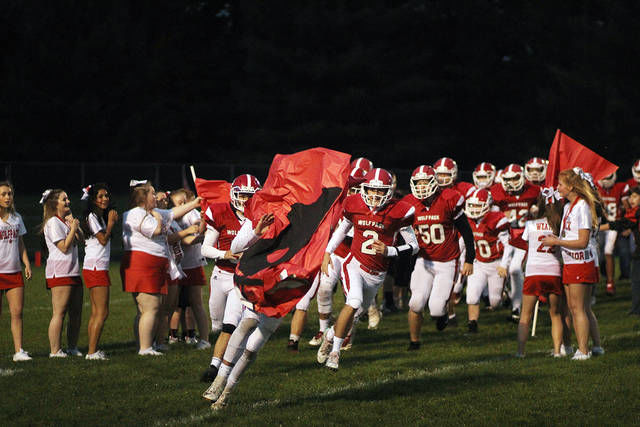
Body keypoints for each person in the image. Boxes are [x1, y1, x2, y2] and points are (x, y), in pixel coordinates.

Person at [316, 168, 419, 369]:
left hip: (377, 274)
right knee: (353, 301)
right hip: (353, 263)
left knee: (354, 314)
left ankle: (329, 335)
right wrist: (328, 253)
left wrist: (389, 251)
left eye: (380, 191)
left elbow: (414, 246)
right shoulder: (354, 203)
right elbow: (342, 229)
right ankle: (335, 353)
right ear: (365, 189)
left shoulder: (399, 210)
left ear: (389, 191)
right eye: (371, 190)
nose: (374, 195)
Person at [121, 180, 200, 356]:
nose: (155, 196)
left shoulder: (152, 212)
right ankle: (145, 348)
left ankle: (146, 345)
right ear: (142, 196)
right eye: (151, 193)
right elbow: (155, 231)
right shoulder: (135, 213)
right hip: (142, 264)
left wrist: (194, 204)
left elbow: (172, 212)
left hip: (152, 264)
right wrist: (158, 220)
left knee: (148, 310)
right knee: (150, 308)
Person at [401, 165, 475, 349]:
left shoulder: (448, 199)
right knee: (416, 302)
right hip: (423, 260)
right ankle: (414, 341)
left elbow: (466, 231)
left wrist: (469, 259)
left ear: (434, 182)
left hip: (447, 262)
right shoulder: (409, 203)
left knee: (435, 308)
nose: (422, 187)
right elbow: (401, 230)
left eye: (426, 182)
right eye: (418, 183)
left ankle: (441, 315)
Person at [200, 174, 261, 381]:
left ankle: (216, 367)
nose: (245, 200)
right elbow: (205, 248)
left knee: (230, 325)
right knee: (216, 325)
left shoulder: (261, 216)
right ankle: (225, 358)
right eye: (242, 195)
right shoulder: (220, 212)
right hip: (220, 275)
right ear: (235, 194)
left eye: (249, 196)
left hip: (241, 279)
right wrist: (224, 254)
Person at [542, 168, 603, 360]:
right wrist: (556, 240)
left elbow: (583, 241)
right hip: (570, 261)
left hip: (580, 262)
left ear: (571, 186)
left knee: (578, 308)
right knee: (576, 307)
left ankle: (584, 350)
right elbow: (569, 235)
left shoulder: (582, 206)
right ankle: (591, 347)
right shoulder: (568, 206)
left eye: (560, 184)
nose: (557, 188)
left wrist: (557, 242)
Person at [490, 163, 540, 321]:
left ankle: (517, 308)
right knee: (498, 270)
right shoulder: (497, 192)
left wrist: (538, 209)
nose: (511, 182)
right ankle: (508, 295)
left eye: (514, 178)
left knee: (515, 269)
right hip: (504, 236)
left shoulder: (534, 191)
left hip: (525, 237)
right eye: (508, 179)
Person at [516, 193, 565, 357]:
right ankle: (558, 351)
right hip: (553, 271)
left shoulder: (530, 224)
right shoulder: (559, 225)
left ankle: (521, 352)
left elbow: (525, 244)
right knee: (555, 314)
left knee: (525, 316)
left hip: (534, 271)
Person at [41, 188, 85, 358]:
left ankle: (72, 347)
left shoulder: (65, 220)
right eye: (64, 199)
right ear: (54, 203)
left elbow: (81, 240)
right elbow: (64, 247)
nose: (68, 202)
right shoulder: (52, 222)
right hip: (59, 272)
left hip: (73, 270)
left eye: (67, 199)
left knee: (76, 312)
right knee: (59, 312)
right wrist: (73, 228)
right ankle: (55, 351)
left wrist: (74, 224)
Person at [461, 188, 509, 332]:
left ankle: (505, 294)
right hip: (478, 263)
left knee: (495, 302)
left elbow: (508, 245)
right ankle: (472, 324)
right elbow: (462, 243)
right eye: (472, 205)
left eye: (478, 205)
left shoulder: (497, 219)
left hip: (496, 263)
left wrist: (504, 265)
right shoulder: (467, 220)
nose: (474, 209)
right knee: (472, 296)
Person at [80, 183, 118, 360]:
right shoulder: (92, 217)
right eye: (101, 196)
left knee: (97, 312)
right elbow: (103, 239)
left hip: (96, 266)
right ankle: (92, 352)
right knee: (102, 312)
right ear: (94, 199)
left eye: (107, 195)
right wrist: (110, 224)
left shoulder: (98, 217)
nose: (105, 199)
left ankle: (92, 350)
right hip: (96, 267)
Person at [171, 189, 209, 349]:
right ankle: (173, 335)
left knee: (196, 304)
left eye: (183, 202)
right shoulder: (169, 217)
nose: (182, 206)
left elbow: (198, 232)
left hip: (192, 264)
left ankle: (204, 339)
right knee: (175, 304)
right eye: (177, 203)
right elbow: (185, 240)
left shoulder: (191, 213)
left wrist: (202, 226)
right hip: (175, 266)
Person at [0, 181, 32, 362]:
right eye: (3, 194)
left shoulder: (17, 217)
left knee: (17, 312)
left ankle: (19, 351)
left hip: (14, 271)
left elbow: (20, 243)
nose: (7, 197)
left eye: (10, 194)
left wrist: (26, 263)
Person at [601, 185, 640, 314]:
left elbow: (619, 224)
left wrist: (597, 229)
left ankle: (636, 309)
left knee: (636, 281)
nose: (631, 200)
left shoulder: (636, 213)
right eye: (630, 197)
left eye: (635, 196)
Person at [595, 172, 629, 296]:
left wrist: (626, 218)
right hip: (598, 225)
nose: (605, 180)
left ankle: (610, 283)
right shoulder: (595, 188)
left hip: (613, 225)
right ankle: (595, 282)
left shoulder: (620, 188)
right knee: (597, 255)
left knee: (608, 251)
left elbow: (627, 206)